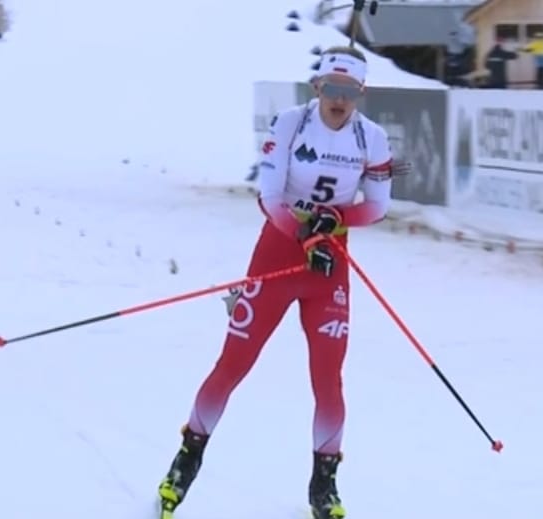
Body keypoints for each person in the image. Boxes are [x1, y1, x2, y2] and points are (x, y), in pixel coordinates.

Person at [157, 45, 397, 519]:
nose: (340, 99)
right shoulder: (290, 124)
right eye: (333, 88)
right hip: (278, 254)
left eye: (350, 91)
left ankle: (324, 486)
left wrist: (336, 221)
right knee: (233, 364)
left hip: (329, 266)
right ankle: (187, 459)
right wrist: (305, 233)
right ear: (317, 87)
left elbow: (377, 206)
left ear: (361, 93)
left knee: (328, 379)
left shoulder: (371, 137)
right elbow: (269, 197)